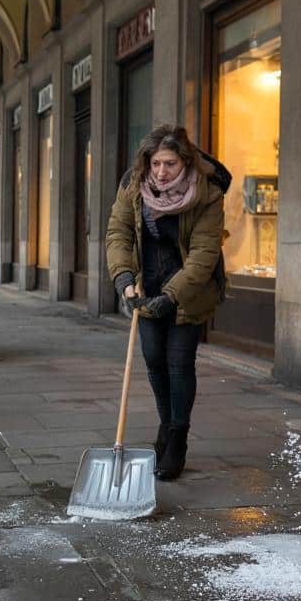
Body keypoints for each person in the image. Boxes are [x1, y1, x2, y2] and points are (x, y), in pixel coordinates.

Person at [107, 124, 231, 481]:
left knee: (179, 363)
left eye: (171, 164)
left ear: (185, 161)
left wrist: (171, 297)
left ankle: (177, 437)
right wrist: (123, 277)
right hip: (147, 284)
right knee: (154, 360)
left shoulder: (206, 193)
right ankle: (165, 424)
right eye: (156, 163)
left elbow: (205, 252)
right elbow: (119, 232)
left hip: (189, 288)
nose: (162, 172)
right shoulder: (134, 185)